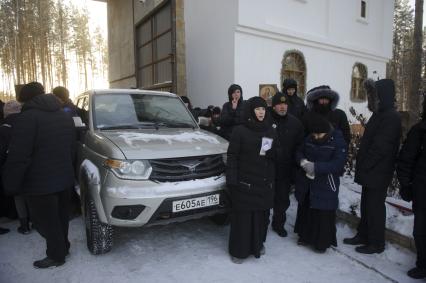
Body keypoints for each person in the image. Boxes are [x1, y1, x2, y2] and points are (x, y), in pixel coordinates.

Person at [2, 82, 76, 268]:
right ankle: (63, 247)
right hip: (64, 177)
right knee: (60, 218)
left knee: (45, 223)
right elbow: (72, 147)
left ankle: (56, 256)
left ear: (25, 99)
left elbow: (19, 154)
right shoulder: (63, 114)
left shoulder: (27, 118)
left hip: (40, 183)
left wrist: (10, 183)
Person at [343, 79, 402, 254]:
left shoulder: (391, 117)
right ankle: (363, 235)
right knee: (367, 204)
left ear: (383, 96)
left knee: (375, 208)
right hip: (371, 170)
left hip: (379, 171)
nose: (371, 98)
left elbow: (380, 147)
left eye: (373, 95)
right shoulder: (380, 114)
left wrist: (365, 164)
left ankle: (376, 243)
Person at [226, 96, 277, 263]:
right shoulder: (240, 130)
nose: (261, 112)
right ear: (251, 111)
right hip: (244, 181)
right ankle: (238, 251)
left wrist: (273, 153)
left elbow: (270, 156)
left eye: (263, 109)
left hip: (262, 181)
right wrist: (232, 179)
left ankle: (257, 245)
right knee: (243, 219)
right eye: (257, 109)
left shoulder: (269, 130)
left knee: (260, 217)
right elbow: (232, 156)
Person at [294, 114, 347, 253]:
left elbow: (338, 164)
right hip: (308, 182)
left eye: (320, 135)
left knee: (322, 214)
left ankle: (321, 242)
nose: (316, 137)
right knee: (306, 209)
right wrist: (303, 162)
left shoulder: (337, 141)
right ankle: (304, 236)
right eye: (314, 135)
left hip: (326, 183)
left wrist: (316, 167)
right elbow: (299, 151)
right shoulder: (309, 138)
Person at [396, 98, 426, 279]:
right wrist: (406, 184)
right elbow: (406, 159)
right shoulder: (420, 131)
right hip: (422, 190)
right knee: (421, 230)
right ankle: (423, 264)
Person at [269, 92, 304, 237]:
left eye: (285, 104)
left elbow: (300, 146)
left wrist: (297, 165)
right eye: (279, 104)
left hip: (285, 169)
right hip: (268, 167)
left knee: (282, 199)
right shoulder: (266, 120)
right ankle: (262, 223)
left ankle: (278, 224)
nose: (283, 107)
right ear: (273, 106)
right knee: (265, 198)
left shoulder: (295, 123)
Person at [0, 100, 31, 234]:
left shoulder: (3, 129)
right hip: (30, 164)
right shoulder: (28, 123)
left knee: (18, 196)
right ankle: (36, 221)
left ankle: (24, 226)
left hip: (12, 167)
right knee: (31, 193)